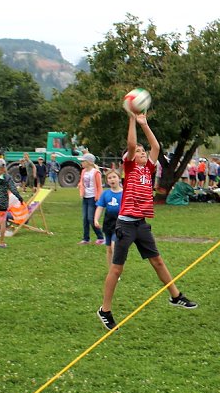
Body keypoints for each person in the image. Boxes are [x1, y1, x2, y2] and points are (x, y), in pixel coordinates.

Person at [97, 112, 198, 331]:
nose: (142, 152)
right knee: (116, 269)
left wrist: (145, 123)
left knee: (158, 261)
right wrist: (132, 119)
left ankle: (175, 296)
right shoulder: (131, 166)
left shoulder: (148, 169)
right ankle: (105, 310)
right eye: (138, 152)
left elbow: (156, 147)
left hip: (141, 224)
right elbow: (132, 144)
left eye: (144, 152)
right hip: (125, 225)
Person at [0, 159, 24, 248]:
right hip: (3, 201)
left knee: (0, 218)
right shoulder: (7, 177)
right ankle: (0, 241)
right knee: (2, 222)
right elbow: (13, 189)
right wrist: (19, 198)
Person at [94, 170, 123, 265]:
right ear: (107, 181)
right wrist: (96, 219)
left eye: (114, 177)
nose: (112, 179)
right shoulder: (105, 194)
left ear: (119, 178)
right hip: (108, 224)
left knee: (115, 246)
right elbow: (100, 207)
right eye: (109, 178)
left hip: (120, 224)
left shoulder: (125, 193)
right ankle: (111, 270)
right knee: (109, 249)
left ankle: (116, 269)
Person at [78, 153, 105, 245]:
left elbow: (99, 186)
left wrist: (99, 198)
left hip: (93, 198)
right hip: (85, 198)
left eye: (83, 161)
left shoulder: (95, 173)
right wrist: (80, 187)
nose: (81, 163)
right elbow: (82, 182)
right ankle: (86, 239)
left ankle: (100, 237)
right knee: (85, 219)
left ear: (89, 162)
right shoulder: (84, 171)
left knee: (91, 218)